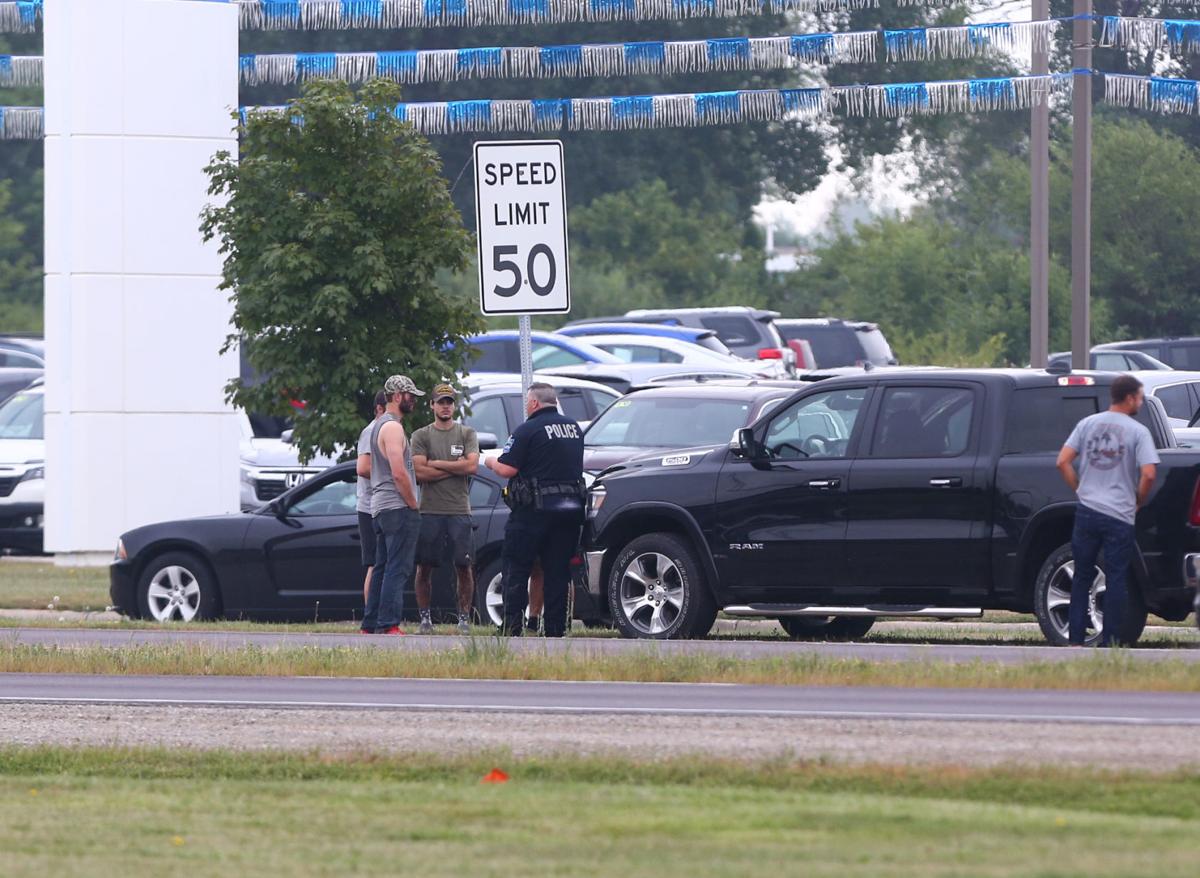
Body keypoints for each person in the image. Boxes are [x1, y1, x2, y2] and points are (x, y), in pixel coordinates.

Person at [1056, 374, 1159, 647]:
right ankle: (1110, 640)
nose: (1140, 401)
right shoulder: (1138, 431)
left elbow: (1063, 461)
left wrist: (1079, 488)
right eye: (1139, 396)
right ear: (1128, 398)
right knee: (1116, 577)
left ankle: (1075, 640)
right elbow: (1149, 473)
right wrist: (1137, 499)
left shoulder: (1087, 424)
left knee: (1082, 575)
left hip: (1087, 510)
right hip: (1119, 513)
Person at [485, 382, 585, 637]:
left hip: (532, 513)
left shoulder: (528, 429)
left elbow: (507, 469)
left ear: (534, 403)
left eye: (527, 401)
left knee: (516, 567)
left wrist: (489, 461)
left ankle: (511, 626)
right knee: (557, 571)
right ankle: (555, 629)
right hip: (569, 510)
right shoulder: (573, 428)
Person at [411, 383, 480, 635]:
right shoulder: (421, 435)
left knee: (464, 565)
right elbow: (419, 471)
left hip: (460, 509)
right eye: (440, 401)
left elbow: (472, 467)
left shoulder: (466, 433)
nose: (445, 406)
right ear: (431, 405)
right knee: (424, 566)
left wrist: (436, 464)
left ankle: (463, 618)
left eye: (449, 401)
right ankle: (425, 619)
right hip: (429, 510)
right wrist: (454, 465)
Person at [361, 375, 423, 635]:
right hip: (396, 506)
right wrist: (412, 504)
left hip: (379, 506)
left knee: (382, 566)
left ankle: (370, 623)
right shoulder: (394, 428)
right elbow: (399, 472)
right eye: (411, 396)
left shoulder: (377, 426)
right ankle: (389, 625)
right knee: (398, 568)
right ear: (398, 396)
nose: (414, 401)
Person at [355, 391, 388, 607]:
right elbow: (363, 468)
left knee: (382, 564)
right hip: (370, 506)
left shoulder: (385, 431)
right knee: (374, 564)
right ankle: (371, 614)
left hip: (382, 505)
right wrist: (393, 472)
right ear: (378, 408)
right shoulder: (371, 432)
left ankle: (378, 614)